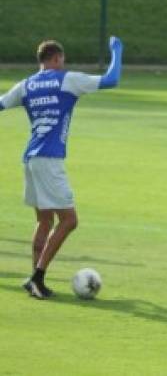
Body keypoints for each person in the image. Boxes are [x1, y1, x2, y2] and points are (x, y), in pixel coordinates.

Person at [0, 36, 122, 299]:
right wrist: (117, 50)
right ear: (56, 59)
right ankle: (38, 276)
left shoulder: (26, 85)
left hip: (30, 159)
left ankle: (34, 279)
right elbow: (111, 79)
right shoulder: (67, 79)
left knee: (44, 220)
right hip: (49, 159)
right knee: (69, 220)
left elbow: (0, 103)